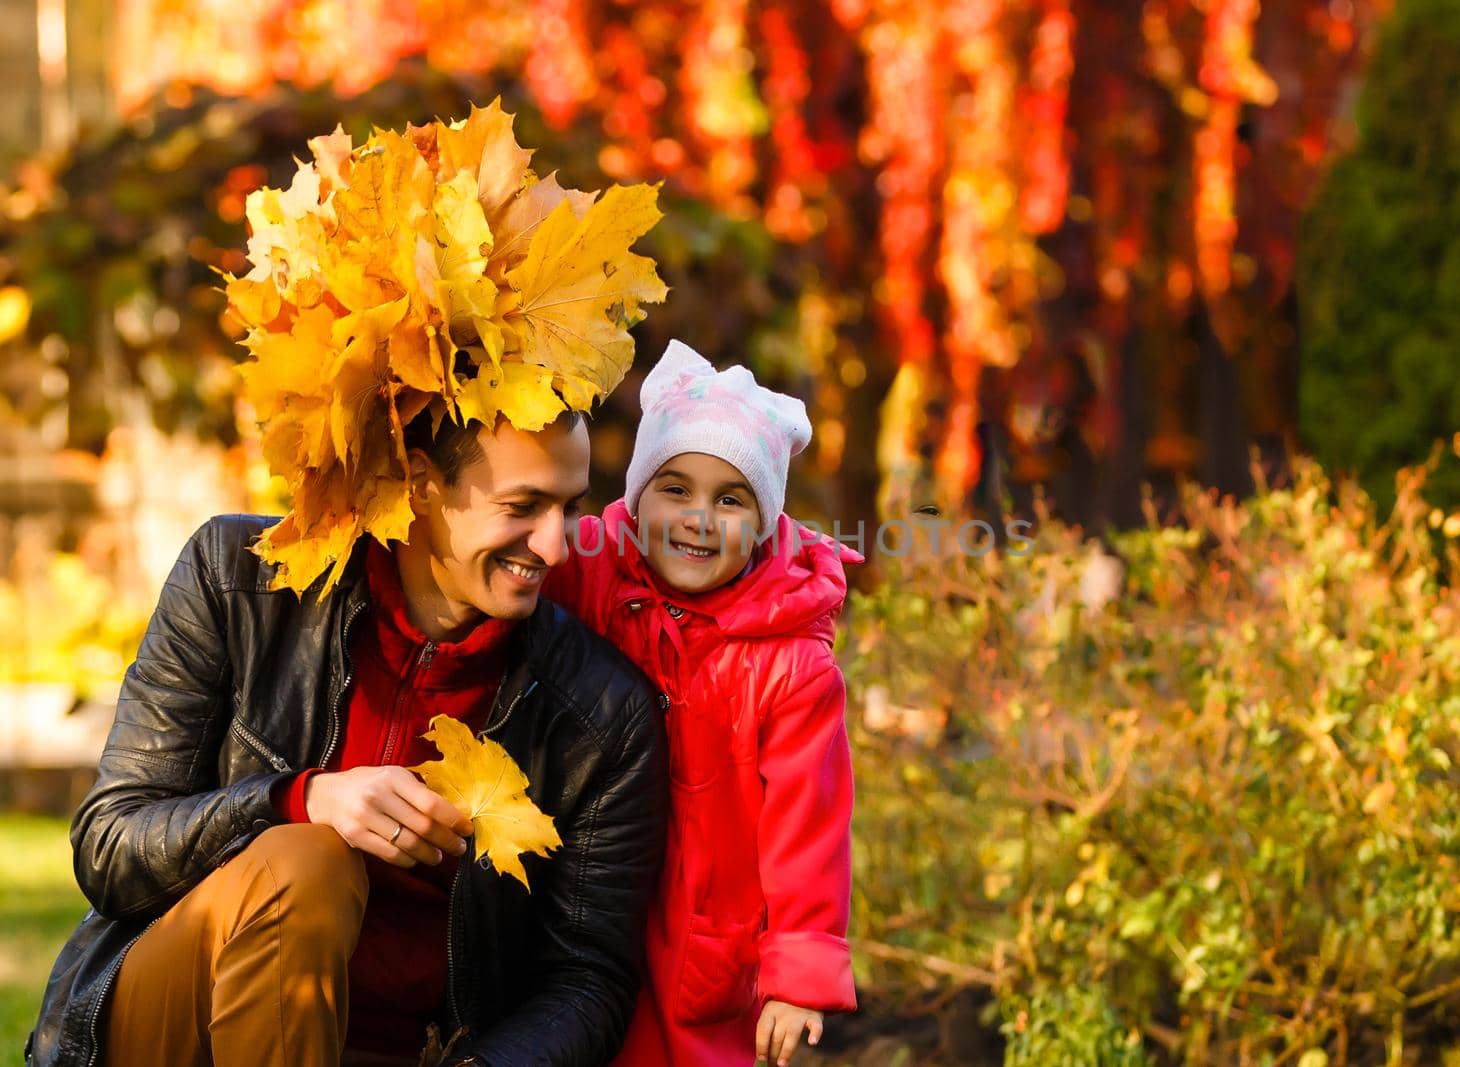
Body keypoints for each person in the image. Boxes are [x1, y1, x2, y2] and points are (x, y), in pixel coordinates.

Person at [26, 410, 669, 1067]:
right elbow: (110, 848)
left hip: (415, 1052)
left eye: (569, 506)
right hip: (180, 1026)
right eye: (523, 506)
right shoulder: (240, 582)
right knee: (308, 864)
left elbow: (589, 977)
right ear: (420, 482)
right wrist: (294, 800)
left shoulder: (599, 712)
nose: (556, 546)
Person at [540, 340, 860, 1067]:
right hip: (585, 893)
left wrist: (797, 973)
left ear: (766, 521)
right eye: (675, 488)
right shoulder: (591, 571)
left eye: (730, 498)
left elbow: (808, 828)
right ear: (636, 494)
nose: (697, 518)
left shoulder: (790, 663)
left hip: (705, 932)